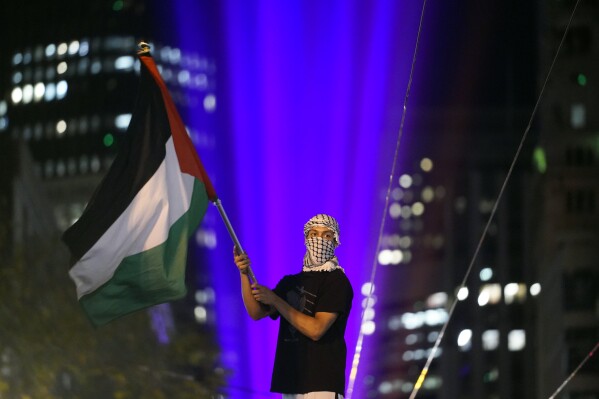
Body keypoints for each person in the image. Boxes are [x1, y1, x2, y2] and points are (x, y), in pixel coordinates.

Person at [234, 214, 353, 399]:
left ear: (336, 241)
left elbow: (317, 329)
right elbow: (256, 313)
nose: (319, 240)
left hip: (322, 382)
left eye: (326, 235)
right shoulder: (290, 282)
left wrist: (276, 300)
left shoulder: (336, 280)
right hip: (290, 380)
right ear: (306, 239)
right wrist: (243, 273)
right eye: (313, 234)